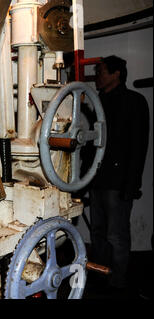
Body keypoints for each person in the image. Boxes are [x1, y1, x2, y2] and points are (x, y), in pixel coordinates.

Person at [89, 55, 150, 294]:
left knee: (116, 234)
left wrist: (131, 185)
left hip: (118, 182)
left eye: (102, 71)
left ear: (116, 74)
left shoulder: (135, 101)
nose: (98, 76)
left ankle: (118, 282)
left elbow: (138, 146)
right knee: (97, 232)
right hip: (97, 179)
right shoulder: (98, 102)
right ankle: (100, 276)